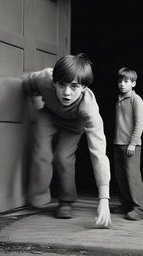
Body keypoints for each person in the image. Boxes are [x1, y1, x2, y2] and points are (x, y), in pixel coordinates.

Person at [22, 53, 111, 228]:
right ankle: (39, 196)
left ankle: (66, 201)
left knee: (63, 158)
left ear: (84, 87)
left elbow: (99, 153)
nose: (67, 92)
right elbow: (27, 82)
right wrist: (28, 96)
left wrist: (104, 199)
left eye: (74, 86)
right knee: (42, 154)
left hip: (73, 126)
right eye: (61, 85)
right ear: (54, 82)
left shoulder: (89, 108)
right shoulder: (45, 78)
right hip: (48, 116)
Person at [112, 67, 143, 220]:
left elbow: (139, 123)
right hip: (118, 143)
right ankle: (127, 204)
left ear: (133, 84)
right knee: (121, 176)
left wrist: (133, 143)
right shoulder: (119, 100)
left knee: (132, 177)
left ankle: (140, 209)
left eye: (126, 81)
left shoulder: (136, 99)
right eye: (120, 81)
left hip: (131, 145)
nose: (122, 84)